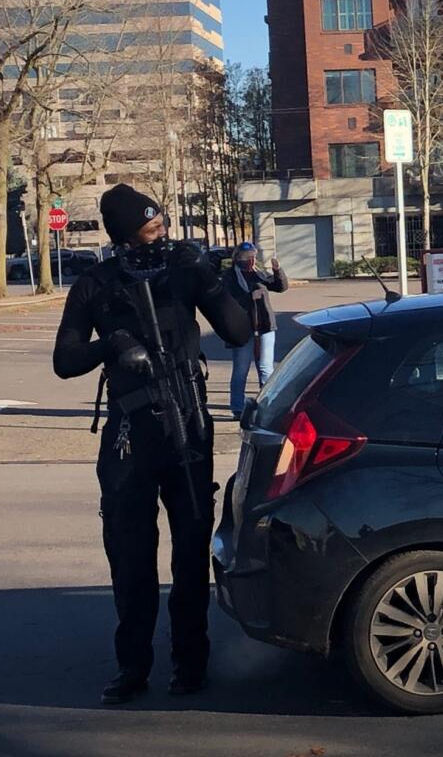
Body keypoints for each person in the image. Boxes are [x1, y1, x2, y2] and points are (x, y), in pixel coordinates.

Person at [52, 184, 251, 705]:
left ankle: (190, 663)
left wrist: (207, 278)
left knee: (189, 555)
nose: (160, 232)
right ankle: (132, 666)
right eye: (149, 227)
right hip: (128, 439)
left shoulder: (183, 272)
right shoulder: (97, 283)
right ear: (122, 234)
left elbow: (236, 330)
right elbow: (65, 359)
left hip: (187, 430)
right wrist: (109, 345)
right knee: (131, 559)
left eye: (160, 223)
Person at [223, 242, 288, 420]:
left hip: (265, 325)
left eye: (253, 255)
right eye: (247, 256)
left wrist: (277, 271)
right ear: (238, 257)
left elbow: (280, 287)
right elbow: (227, 299)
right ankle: (237, 407)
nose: (250, 259)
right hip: (242, 327)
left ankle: (266, 404)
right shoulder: (230, 276)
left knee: (266, 367)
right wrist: (249, 297)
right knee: (240, 369)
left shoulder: (258, 272)